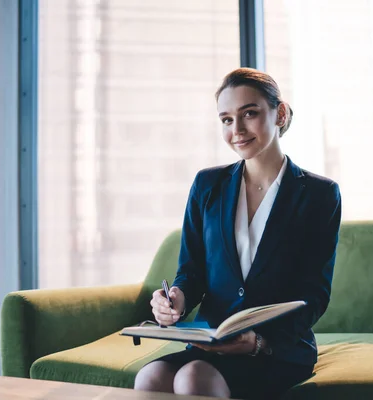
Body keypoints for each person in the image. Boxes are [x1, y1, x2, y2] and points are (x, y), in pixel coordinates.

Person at [134, 68, 342, 399]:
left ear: (280, 113)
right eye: (227, 120)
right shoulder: (207, 185)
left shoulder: (319, 194)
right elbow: (191, 273)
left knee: (193, 379)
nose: (238, 130)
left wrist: (260, 342)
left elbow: (314, 294)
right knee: (151, 377)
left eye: (250, 114)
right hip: (213, 339)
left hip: (276, 347)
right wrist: (175, 299)